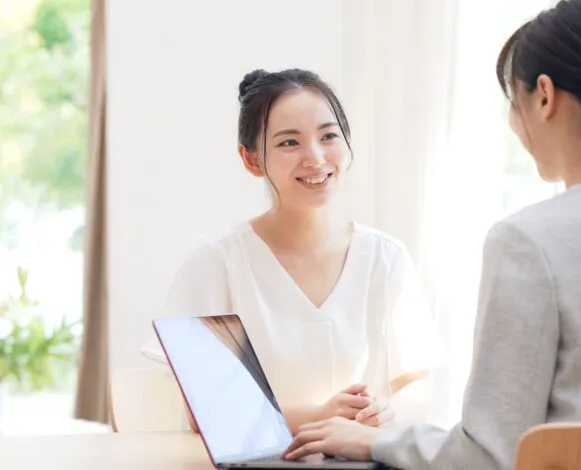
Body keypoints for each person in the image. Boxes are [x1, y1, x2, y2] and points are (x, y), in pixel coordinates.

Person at [281, 0, 581, 468]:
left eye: (512, 101)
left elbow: (487, 456)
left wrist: (375, 442)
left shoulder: (529, 242)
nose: (514, 122)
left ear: (544, 96)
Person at [141, 68, 446, 435]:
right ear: (251, 160)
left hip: (362, 457)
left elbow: (418, 389)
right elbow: (204, 410)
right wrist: (320, 416)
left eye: (329, 136)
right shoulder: (218, 263)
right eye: (289, 142)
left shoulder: (385, 257)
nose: (315, 157)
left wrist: (385, 413)